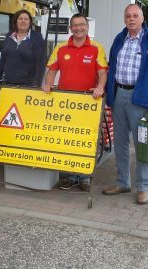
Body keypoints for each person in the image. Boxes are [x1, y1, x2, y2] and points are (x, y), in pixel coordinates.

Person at [102, 3, 148, 205]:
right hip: (119, 94)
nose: (131, 19)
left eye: (135, 15)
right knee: (120, 143)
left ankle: (143, 187)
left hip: (140, 99)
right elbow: (111, 68)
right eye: (128, 15)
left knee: (142, 145)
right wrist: (109, 95)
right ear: (124, 19)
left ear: (142, 17)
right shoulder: (119, 38)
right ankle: (123, 182)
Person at [42, 13, 108, 192]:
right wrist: (48, 84)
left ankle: (85, 177)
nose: (78, 28)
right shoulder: (61, 48)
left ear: (87, 26)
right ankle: (70, 176)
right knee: (68, 138)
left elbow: (103, 73)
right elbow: (51, 70)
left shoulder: (97, 48)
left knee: (87, 139)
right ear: (70, 28)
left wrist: (100, 87)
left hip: (89, 103)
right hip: (66, 103)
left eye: (82, 25)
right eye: (75, 25)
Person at [0, 9, 46, 87]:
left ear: (30, 22)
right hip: (8, 83)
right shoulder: (9, 36)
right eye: (20, 19)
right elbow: (3, 59)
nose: (23, 21)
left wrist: (37, 84)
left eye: (26, 19)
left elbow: (41, 64)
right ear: (16, 21)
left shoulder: (37, 38)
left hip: (28, 85)